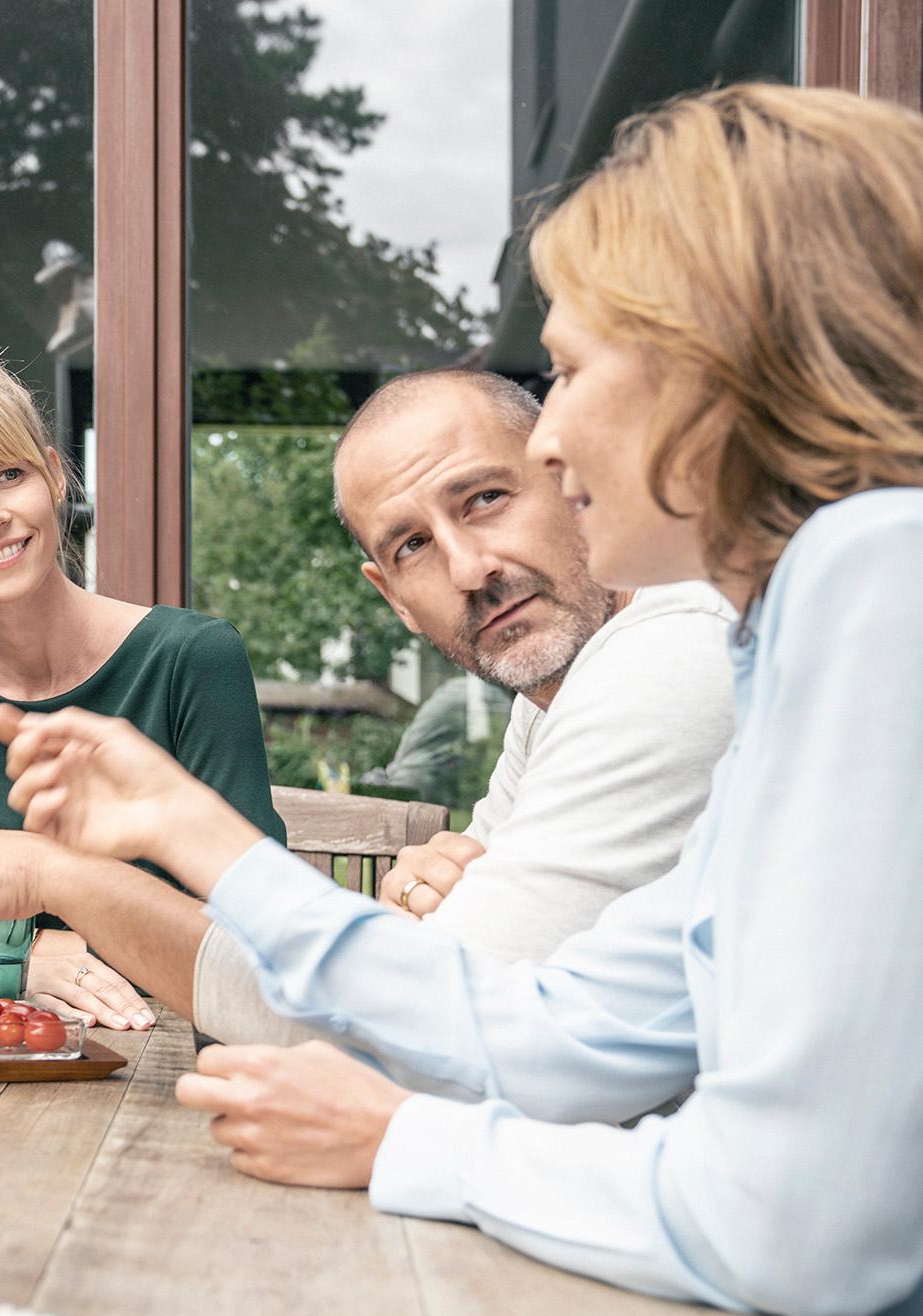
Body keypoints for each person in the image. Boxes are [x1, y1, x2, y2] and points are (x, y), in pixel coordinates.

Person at [0, 86, 923, 1316]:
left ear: (725, 350)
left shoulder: (886, 570)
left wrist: (408, 1141)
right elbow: (562, 1031)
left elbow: (801, 1226)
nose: (555, 428)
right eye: (412, 540)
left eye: (569, 371)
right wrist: (189, 828)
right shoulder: (790, 628)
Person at [195, 369, 737, 1043]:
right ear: (393, 599)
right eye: (412, 544)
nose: (468, 568)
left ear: (571, 479)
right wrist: (420, 900)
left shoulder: (672, 654)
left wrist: (90, 875)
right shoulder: (547, 701)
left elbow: (425, 1027)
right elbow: (439, 952)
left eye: (483, 498)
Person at [0, 336, 282, 1029]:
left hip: (159, 1055)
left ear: (56, 477)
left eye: (8, 475)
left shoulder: (192, 659)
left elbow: (254, 927)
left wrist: (70, 933)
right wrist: (21, 959)